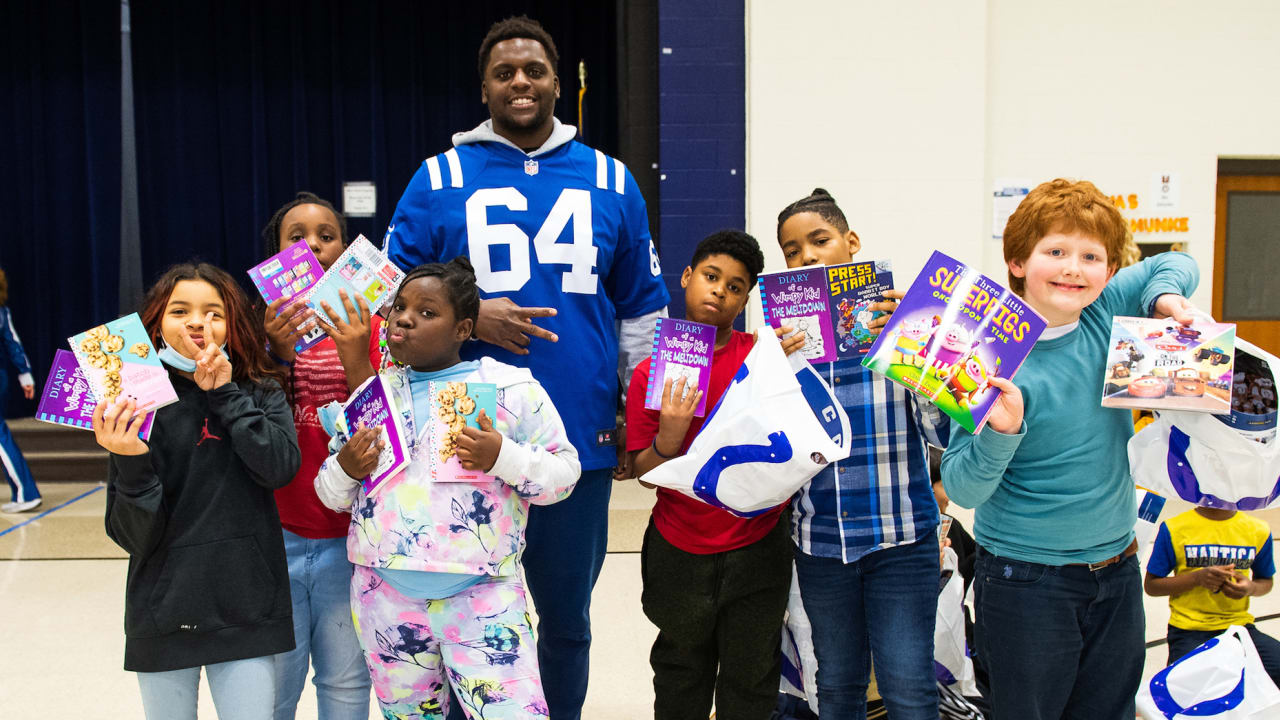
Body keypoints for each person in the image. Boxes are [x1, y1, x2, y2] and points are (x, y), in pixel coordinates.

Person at [382, 15, 668, 717]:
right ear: (484, 87)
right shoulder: (437, 177)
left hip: (577, 435)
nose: (521, 82)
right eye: (505, 72)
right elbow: (388, 303)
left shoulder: (610, 177)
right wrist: (475, 318)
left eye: (534, 70)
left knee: (566, 619)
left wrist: (641, 412)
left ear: (556, 84)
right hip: (459, 441)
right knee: (458, 611)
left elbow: (643, 315)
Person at [940, 178, 1199, 719]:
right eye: (1054, 252)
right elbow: (962, 485)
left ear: (1107, 270)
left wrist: (1166, 299)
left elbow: (1171, 266)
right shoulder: (984, 346)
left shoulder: (1106, 314)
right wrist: (1000, 433)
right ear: (1016, 262)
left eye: (1090, 256)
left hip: (1118, 570)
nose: (1073, 269)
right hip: (1024, 581)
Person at [314, 258, 580, 719]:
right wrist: (347, 467)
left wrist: (504, 457)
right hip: (386, 599)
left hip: (482, 594)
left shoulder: (506, 387)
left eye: (426, 312)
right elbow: (331, 496)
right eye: (399, 308)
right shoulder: (372, 396)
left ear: (464, 328)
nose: (404, 318)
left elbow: (564, 475)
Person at [95, 262, 300, 719]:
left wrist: (226, 394)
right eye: (180, 311)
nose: (196, 322)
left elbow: (279, 468)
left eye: (214, 313)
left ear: (233, 325)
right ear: (156, 324)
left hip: (247, 606)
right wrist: (128, 458)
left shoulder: (261, 391)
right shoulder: (134, 405)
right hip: (163, 609)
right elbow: (132, 536)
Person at [775, 188, 949, 719]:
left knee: (907, 686)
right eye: (791, 250)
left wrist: (917, 352)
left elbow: (940, 433)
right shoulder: (782, 345)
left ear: (851, 243)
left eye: (820, 240)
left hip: (901, 539)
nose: (807, 256)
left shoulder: (905, 325)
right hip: (822, 543)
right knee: (837, 683)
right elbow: (773, 449)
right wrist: (772, 375)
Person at [626, 230, 802, 719]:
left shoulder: (764, 358)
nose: (720, 291)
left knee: (751, 675)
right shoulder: (650, 372)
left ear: (747, 298)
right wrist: (671, 434)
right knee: (681, 671)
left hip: (758, 543)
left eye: (736, 286)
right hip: (679, 548)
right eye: (710, 277)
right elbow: (644, 474)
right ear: (686, 277)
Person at [260, 192, 375, 720]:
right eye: (297, 236)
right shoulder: (256, 334)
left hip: (353, 539)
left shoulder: (376, 327)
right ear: (277, 254)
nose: (313, 246)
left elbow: (387, 429)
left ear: (345, 250)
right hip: (274, 533)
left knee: (346, 682)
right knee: (273, 688)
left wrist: (356, 355)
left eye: (327, 236)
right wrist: (274, 356)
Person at [1145, 506, 1280, 685]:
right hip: (1188, 630)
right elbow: (1152, 586)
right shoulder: (1174, 528)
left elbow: (1265, 581)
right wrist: (1196, 578)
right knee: (1190, 686)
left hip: (1239, 627)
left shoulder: (1258, 529)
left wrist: (1250, 588)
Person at [0, 267, 40, 513]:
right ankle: (24, 492)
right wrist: (26, 376)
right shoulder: (3, 311)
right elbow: (13, 342)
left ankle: (26, 493)